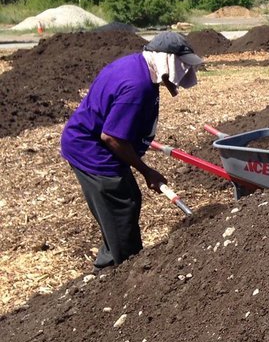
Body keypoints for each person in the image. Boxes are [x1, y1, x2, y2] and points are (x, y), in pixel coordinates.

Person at [61, 31, 204, 270]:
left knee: (124, 202)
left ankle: (109, 263)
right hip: (92, 152)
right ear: (166, 60)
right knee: (122, 203)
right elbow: (112, 137)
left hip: (90, 143)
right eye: (182, 66)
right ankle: (129, 271)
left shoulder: (137, 66)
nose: (184, 73)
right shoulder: (138, 87)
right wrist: (147, 171)